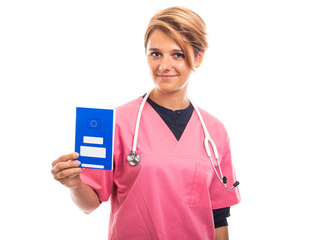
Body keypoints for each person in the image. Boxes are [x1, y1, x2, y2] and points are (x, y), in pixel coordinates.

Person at [51, 6, 240, 240]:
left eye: (178, 54)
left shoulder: (214, 132)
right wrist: (74, 184)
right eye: (155, 53)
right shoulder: (118, 122)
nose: (164, 66)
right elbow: (90, 204)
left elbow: (219, 216)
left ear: (198, 57)